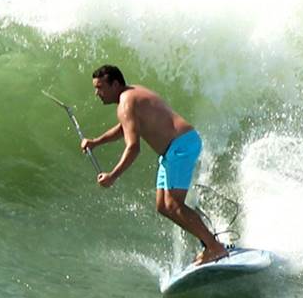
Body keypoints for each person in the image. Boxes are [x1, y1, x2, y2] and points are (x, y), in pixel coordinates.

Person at [81, 63, 228, 265]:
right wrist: (96, 141)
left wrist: (112, 176)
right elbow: (126, 126)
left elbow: (133, 147)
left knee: (173, 204)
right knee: (163, 206)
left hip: (180, 145)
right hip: (173, 150)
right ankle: (210, 242)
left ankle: (214, 247)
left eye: (100, 87)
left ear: (115, 84)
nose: (97, 93)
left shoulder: (125, 102)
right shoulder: (131, 95)